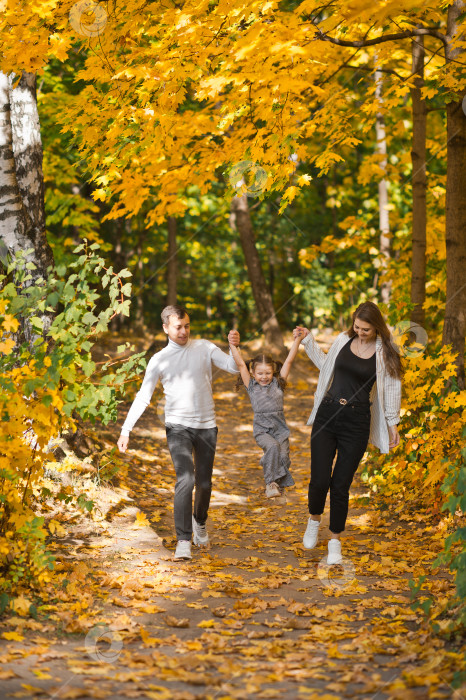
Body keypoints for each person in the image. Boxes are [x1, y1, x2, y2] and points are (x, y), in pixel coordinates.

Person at [117, 305, 240, 562]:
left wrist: (234, 347)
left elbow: (233, 367)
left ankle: (200, 522)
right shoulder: (159, 359)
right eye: (178, 327)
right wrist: (126, 429)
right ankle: (183, 540)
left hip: (207, 425)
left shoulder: (204, 347)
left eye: (186, 326)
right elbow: (143, 397)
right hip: (178, 427)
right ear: (165, 328)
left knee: (204, 484)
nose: (183, 331)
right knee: (186, 479)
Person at [295, 301, 402, 565]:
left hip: (356, 421)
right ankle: (313, 521)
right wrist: (308, 342)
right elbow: (325, 364)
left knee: (340, 484)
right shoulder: (343, 339)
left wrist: (392, 422)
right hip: (328, 414)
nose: (360, 332)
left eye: (366, 329)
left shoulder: (386, 351)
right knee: (320, 479)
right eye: (357, 326)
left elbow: (391, 388)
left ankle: (334, 540)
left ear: (376, 327)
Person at [229, 331, 304, 503]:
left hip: (280, 430)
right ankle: (270, 483)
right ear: (253, 373)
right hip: (262, 430)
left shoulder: (279, 384)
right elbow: (240, 364)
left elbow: (290, 360)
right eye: (260, 373)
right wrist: (233, 345)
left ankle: (279, 486)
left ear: (274, 372)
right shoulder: (252, 386)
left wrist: (297, 341)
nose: (264, 377)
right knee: (272, 448)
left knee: (284, 457)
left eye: (268, 373)